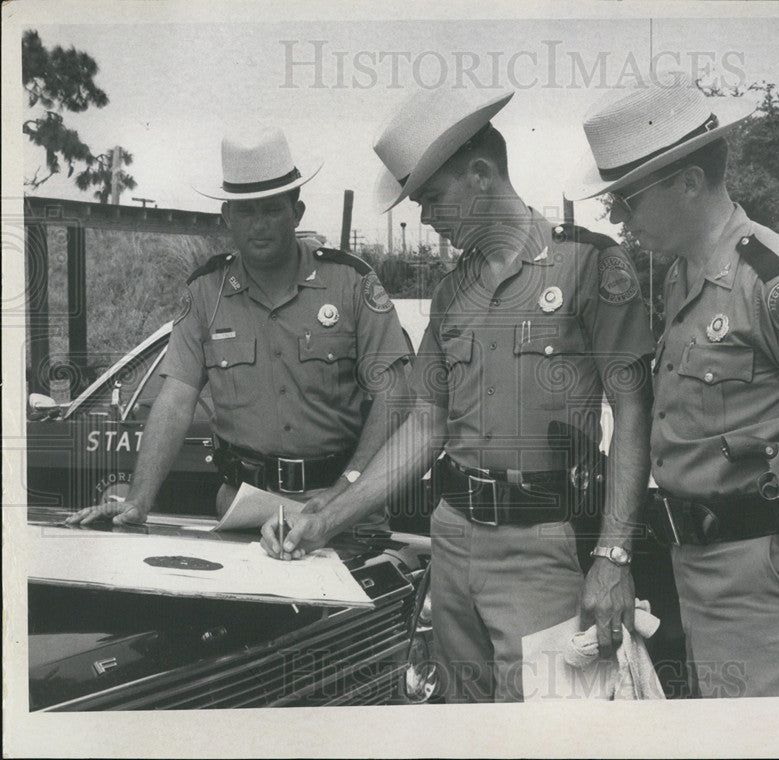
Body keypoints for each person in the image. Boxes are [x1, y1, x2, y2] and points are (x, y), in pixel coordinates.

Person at [261, 89, 656, 702]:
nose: (424, 218)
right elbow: (425, 425)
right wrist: (328, 517)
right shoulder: (452, 293)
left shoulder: (589, 265)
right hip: (452, 541)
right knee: (461, 723)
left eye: (432, 198)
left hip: (544, 542)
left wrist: (614, 555)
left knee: (550, 732)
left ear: (480, 174)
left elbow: (634, 411)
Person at [564, 76, 779, 697]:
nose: (619, 217)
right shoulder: (684, 277)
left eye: (628, 198)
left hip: (775, 571)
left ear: (688, 182)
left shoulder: (777, 281)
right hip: (703, 568)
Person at [67, 126, 411, 528]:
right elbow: (176, 400)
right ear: (227, 217)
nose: (258, 225)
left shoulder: (349, 281)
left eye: (271, 209)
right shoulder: (205, 292)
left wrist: (349, 487)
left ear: (296, 213)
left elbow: (394, 393)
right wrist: (139, 500)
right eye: (246, 211)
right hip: (243, 507)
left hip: (341, 507)